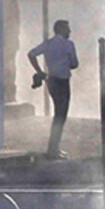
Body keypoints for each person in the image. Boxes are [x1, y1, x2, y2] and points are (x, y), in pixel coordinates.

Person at [27, 20, 79, 159]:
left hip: (51, 80)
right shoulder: (68, 44)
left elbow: (31, 54)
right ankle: (53, 149)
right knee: (61, 115)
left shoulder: (48, 43)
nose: (69, 31)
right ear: (61, 30)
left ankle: (54, 148)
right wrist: (66, 62)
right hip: (63, 81)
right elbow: (74, 64)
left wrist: (39, 71)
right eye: (67, 29)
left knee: (58, 113)